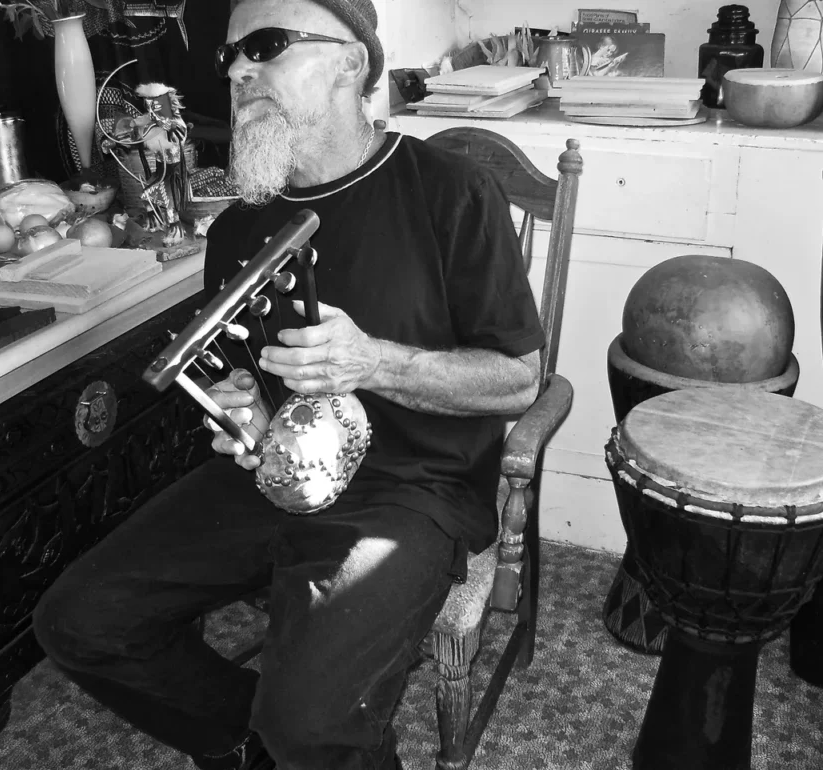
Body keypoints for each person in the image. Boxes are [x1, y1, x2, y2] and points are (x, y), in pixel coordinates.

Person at [32, 1, 545, 768]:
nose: (239, 68)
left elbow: (517, 382)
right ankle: (247, 743)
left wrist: (372, 361)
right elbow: (253, 378)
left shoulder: (449, 189)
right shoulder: (243, 224)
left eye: (266, 46)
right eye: (231, 54)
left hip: (413, 492)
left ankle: (296, 736)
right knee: (79, 620)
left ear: (353, 61)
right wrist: (246, 407)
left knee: (309, 719)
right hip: (275, 473)